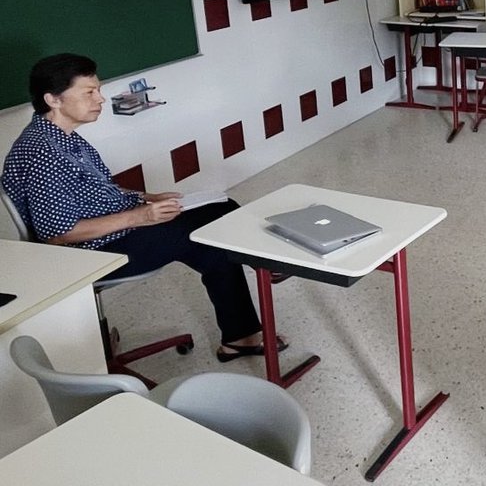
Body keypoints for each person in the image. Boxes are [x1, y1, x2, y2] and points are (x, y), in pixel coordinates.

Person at [1, 54, 282, 362]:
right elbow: (58, 233)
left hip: (113, 228)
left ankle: (241, 332)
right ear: (53, 99)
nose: (101, 99)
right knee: (207, 233)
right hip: (90, 252)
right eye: (89, 92)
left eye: (98, 90)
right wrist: (141, 216)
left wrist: (147, 197)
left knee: (218, 208)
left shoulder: (60, 137)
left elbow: (100, 191)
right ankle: (265, 265)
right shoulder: (44, 152)